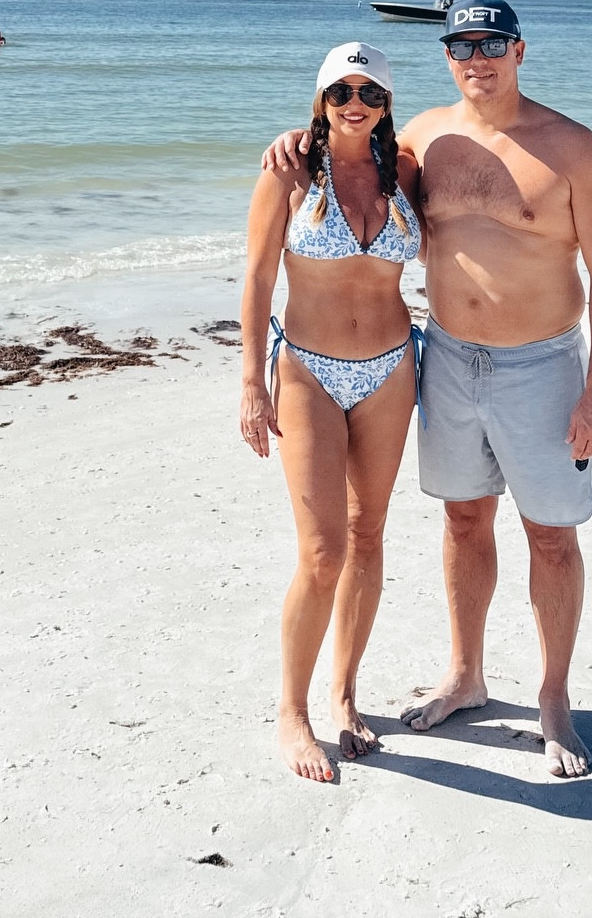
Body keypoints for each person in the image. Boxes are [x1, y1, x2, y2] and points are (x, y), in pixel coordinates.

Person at [264, 0, 592, 779]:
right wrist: (297, 142)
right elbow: (345, 159)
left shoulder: (573, 148)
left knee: (551, 537)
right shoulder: (422, 138)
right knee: (464, 523)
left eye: (492, 43)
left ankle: (554, 699)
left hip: (540, 365)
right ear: (446, 58)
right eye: (462, 45)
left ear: (520, 50)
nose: (477, 58)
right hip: (447, 359)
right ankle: (467, 674)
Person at [242, 42, 422, 782]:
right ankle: (292, 713)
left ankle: (345, 696)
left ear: (386, 104)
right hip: (309, 372)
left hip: (390, 370)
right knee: (322, 554)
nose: (357, 103)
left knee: (368, 534)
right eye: (342, 90)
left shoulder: (405, 169)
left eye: (371, 92)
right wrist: (251, 383)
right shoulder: (287, 172)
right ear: (320, 100)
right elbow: (255, 279)